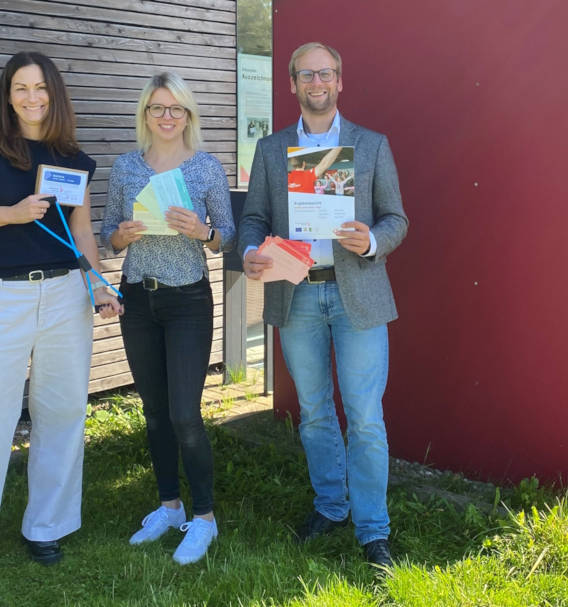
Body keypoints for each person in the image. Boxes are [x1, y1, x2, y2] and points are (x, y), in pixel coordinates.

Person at [0, 51, 121, 585]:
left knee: (60, 414)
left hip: (64, 297)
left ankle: (46, 526)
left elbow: (80, 232)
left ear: (54, 94)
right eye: (20, 89)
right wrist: (11, 213)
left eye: (41, 89)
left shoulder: (71, 158)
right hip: (0, 298)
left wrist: (98, 286)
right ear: (7, 96)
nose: (31, 98)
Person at [239, 42, 408, 568]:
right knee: (314, 414)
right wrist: (248, 251)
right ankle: (331, 507)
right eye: (306, 74)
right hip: (297, 294)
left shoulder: (372, 145)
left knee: (365, 417)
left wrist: (372, 240)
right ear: (291, 84)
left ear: (340, 80)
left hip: (357, 291)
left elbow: (396, 219)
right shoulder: (271, 150)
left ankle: (372, 528)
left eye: (326, 73)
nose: (317, 82)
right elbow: (253, 218)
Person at [102, 72, 235, 566]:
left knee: (184, 413)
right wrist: (124, 235)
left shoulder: (205, 167)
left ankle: (204, 519)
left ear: (188, 115)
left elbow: (229, 236)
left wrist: (203, 231)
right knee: (154, 411)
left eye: (175, 108)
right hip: (139, 300)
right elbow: (107, 235)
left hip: (188, 302)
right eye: (157, 108)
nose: (166, 117)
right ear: (145, 114)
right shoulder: (124, 168)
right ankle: (168, 506)